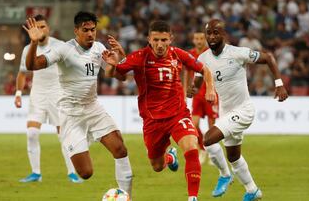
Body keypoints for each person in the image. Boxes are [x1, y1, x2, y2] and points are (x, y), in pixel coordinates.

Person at [103, 20, 215, 201]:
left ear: (171, 39)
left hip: (178, 114)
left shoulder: (178, 54)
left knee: (191, 148)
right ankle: (170, 158)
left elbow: (205, 70)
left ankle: (193, 197)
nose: (160, 44)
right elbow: (116, 75)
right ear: (149, 39)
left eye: (164, 40)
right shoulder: (139, 57)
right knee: (156, 165)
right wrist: (112, 64)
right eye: (156, 40)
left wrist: (209, 88)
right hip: (152, 121)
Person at [22, 11, 133, 197]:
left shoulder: (98, 48)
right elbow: (33, 64)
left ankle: (127, 197)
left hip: (93, 108)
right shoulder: (64, 50)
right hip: (70, 114)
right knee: (85, 173)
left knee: (120, 149)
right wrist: (34, 43)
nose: (90, 34)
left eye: (93, 30)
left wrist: (118, 61)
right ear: (76, 31)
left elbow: (120, 77)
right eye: (85, 30)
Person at [190, 19, 288, 201]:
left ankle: (224, 175)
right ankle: (252, 190)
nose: (212, 36)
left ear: (223, 34)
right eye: (209, 33)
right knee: (234, 157)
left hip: (243, 110)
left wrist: (279, 84)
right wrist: (191, 90)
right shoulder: (202, 59)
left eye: (216, 32)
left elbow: (268, 58)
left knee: (208, 140)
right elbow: (196, 83)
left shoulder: (237, 53)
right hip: (226, 113)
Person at [16, 14, 82, 183]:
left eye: (43, 26)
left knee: (63, 135)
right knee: (31, 133)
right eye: (36, 27)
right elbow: (22, 73)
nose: (40, 29)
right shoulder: (28, 49)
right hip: (37, 94)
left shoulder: (60, 46)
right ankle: (36, 173)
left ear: (48, 28)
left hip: (58, 95)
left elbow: (73, 69)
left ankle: (72, 173)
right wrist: (18, 93)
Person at [185, 31, 219, 165]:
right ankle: (202, 148)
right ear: (193, 40)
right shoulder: (190, 54)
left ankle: (213, 152)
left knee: (212, 126)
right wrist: (185, 90)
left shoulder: (210, 53)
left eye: (201, 38)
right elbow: (188, 73)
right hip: (197, 95)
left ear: (204, 40)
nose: (199, 41)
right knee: (194, 125)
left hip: (211, 93)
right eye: (196, 38)